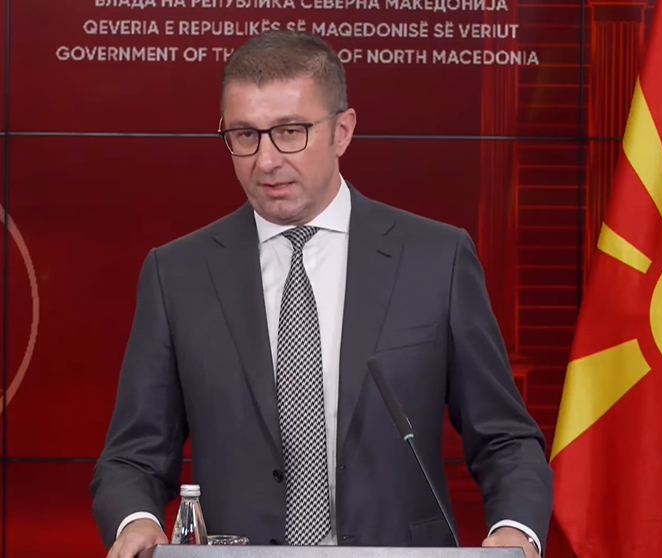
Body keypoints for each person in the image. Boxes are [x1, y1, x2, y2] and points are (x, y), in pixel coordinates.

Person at [90, 30, 553, 558]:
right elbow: (132, 457)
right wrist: (137, 520)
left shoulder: (435, 259)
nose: (266, 160)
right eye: (244, 135)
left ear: (342, 131)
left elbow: (505, 438)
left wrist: (515, 530)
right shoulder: (178, 273)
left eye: (290, 132)